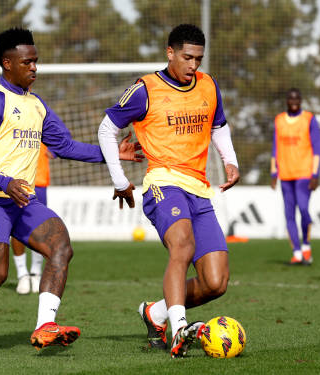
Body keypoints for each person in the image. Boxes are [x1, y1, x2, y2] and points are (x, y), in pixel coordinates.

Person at [0, 27, 142, 353]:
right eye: (27, 62)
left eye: (36, 61)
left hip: (21, 200)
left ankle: (45, 325)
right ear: (7, 63)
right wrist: (5, 182)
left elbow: (65, 145)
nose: (34, 68)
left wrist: (110, 154)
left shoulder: (37, 106)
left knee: (60, 246)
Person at [98, 24, 240, 358]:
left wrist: (230, 161)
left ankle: (156, 313)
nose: (194, 65)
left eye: (199, 59)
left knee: (216, 282)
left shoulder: (208, 85)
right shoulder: (145, 88)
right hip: (162, 182)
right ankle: (178, 329)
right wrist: (119, 179)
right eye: (188, 57)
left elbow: (218, 125)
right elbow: (107, 128)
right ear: (170, 53)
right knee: (183, 245)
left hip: (199, 189)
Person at [270, 88, 320, 265]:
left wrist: (315, 174)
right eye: (290, 98)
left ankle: (306, 245)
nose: (293, 101)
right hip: (285, 174)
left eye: (296, 98)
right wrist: (273, 172)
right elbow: (275, 146)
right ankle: (296, 252)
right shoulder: (279, 120)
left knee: (304, 209)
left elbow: (317, 148)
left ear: (301, 100)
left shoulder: (309, 119)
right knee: (289, 214)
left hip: (304, 174)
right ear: (286, 100)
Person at [11, 143, 53, 295]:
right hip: (16, 180)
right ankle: (22, 274)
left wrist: (55, 148)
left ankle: (36, 273)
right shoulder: (10, 118)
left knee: (40, 229)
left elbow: (63, 136)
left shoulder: (45, 118)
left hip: (39, 180)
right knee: (17, 228)